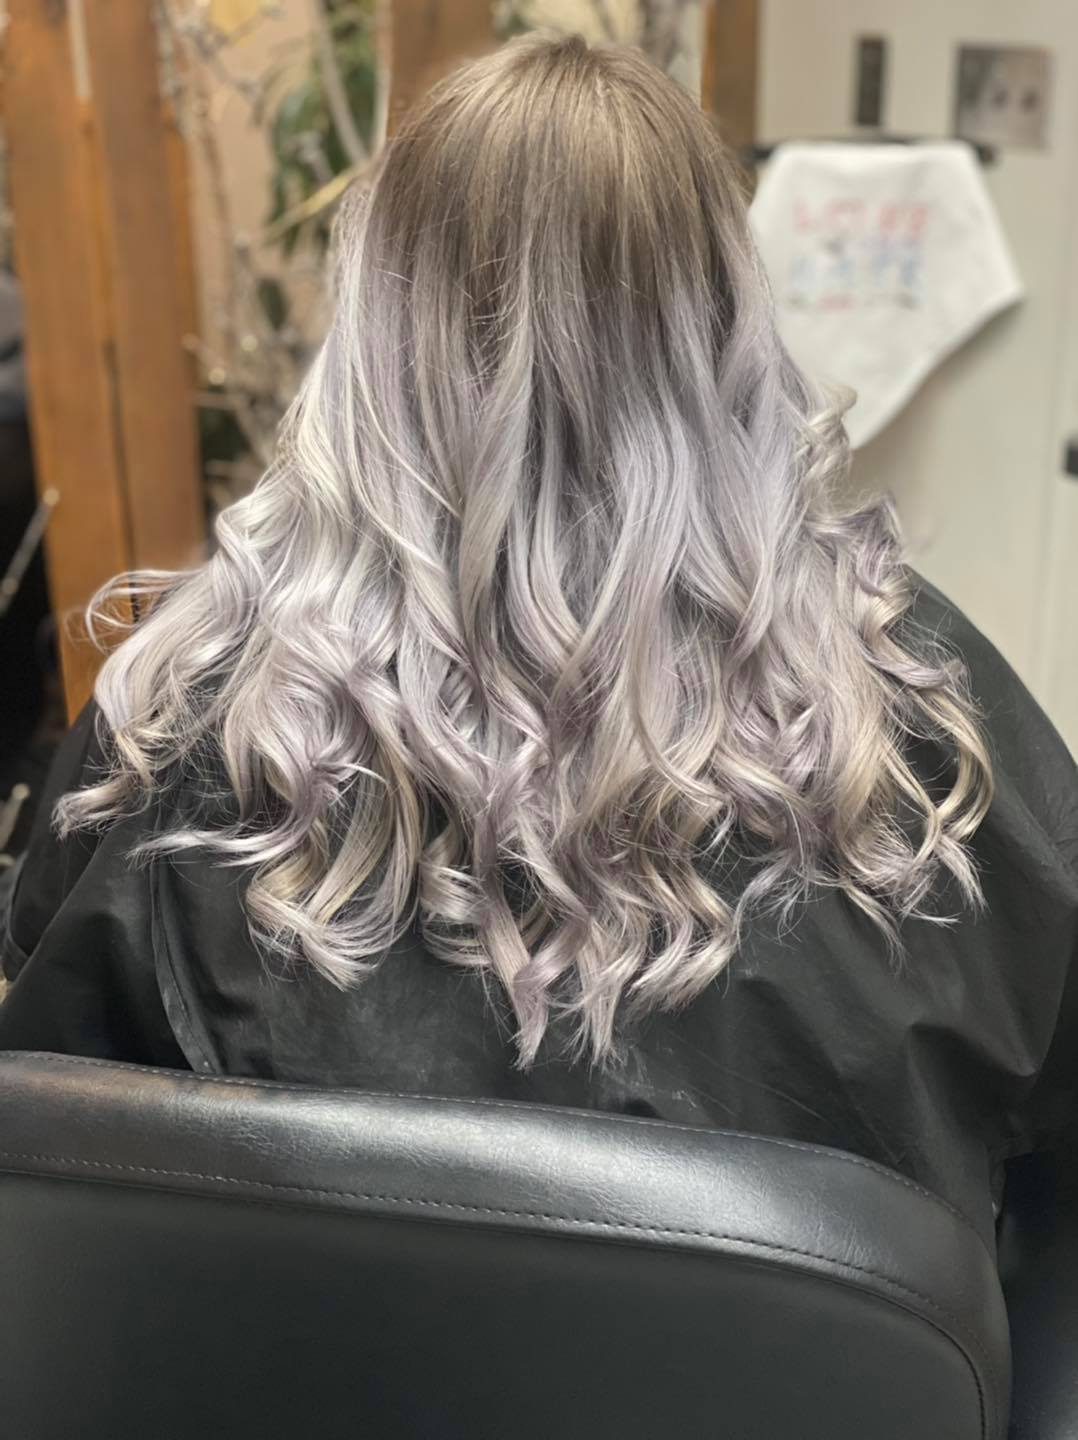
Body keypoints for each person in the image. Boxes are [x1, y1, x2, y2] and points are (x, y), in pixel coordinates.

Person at [2, 34, 1075, 1253]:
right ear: (722, 314)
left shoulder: (183, 720)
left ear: (375, 323)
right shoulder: (917, 711)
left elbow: (55, 1186)